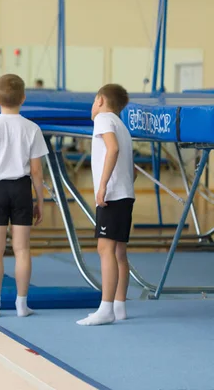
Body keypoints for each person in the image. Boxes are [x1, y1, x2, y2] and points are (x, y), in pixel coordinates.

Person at [0, 74, 48, 318]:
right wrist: (40, 200)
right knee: (22, 249)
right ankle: (21, 304)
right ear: (23, 98)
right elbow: (36, 170)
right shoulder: (32, 128)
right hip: (21, 188)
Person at [76, 84, 135, 326]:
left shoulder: (103, 120)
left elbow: (113, 149)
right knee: (119, 251)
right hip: (124, 193)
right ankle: (119, 305)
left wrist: (102, 186)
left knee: (105, 250)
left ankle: (106, 308)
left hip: (112, 194)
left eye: (93, 101)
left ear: (100, 100)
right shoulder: (122, 126)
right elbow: (130, 167)